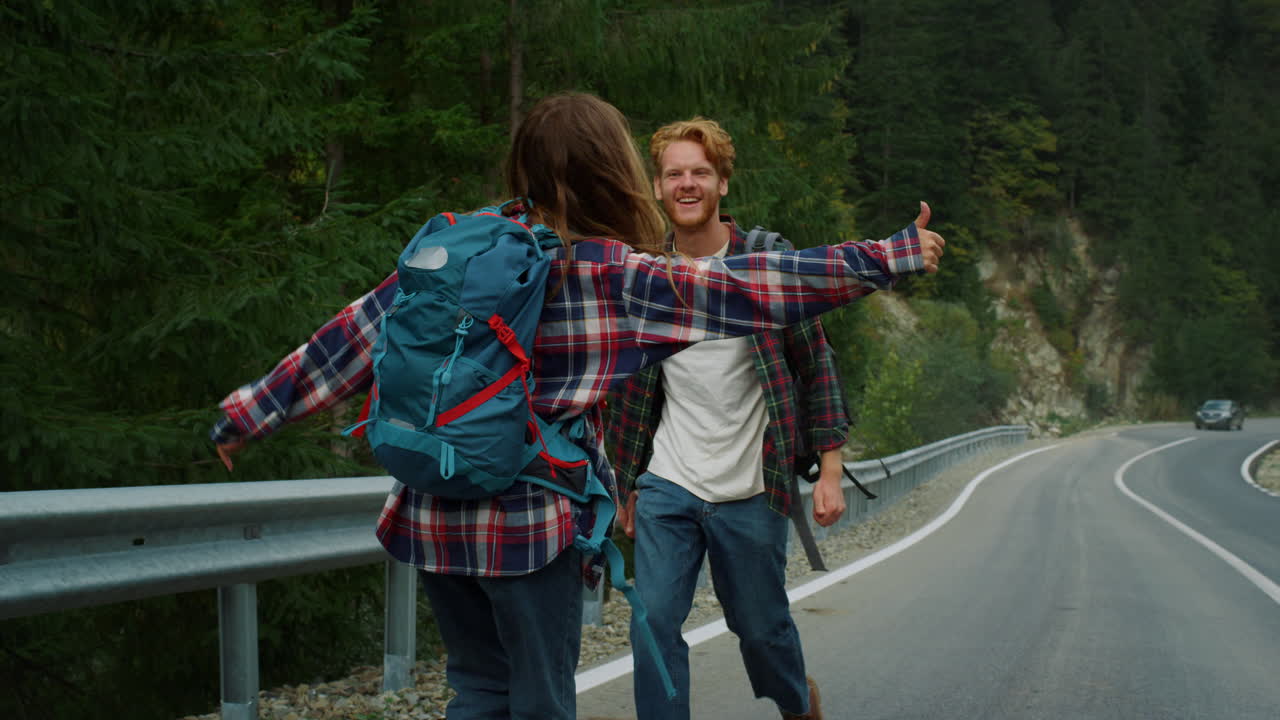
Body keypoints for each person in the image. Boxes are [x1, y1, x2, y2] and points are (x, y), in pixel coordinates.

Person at [210, 92, 943, 720]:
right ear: (613, 172)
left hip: (429, 511)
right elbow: (757, 289)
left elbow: (348, 339)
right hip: (527, 527)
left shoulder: (461, 249)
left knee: (475, 688)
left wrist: (248, 413)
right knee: (539, 700)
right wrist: (887, 256)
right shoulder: (609, 277)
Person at [610, 117, 891, 720]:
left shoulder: (764, 260)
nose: (688, 184)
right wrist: (627, 483)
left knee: (760, 630)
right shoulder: (647, 272)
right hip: (669, 481)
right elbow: (628, 392)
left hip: (753, 484)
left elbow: (815, 361)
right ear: (658, 188)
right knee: (652, 621)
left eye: (701, 173)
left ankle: (797, 704)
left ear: (723, 184)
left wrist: (832, 469)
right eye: (675, 174)